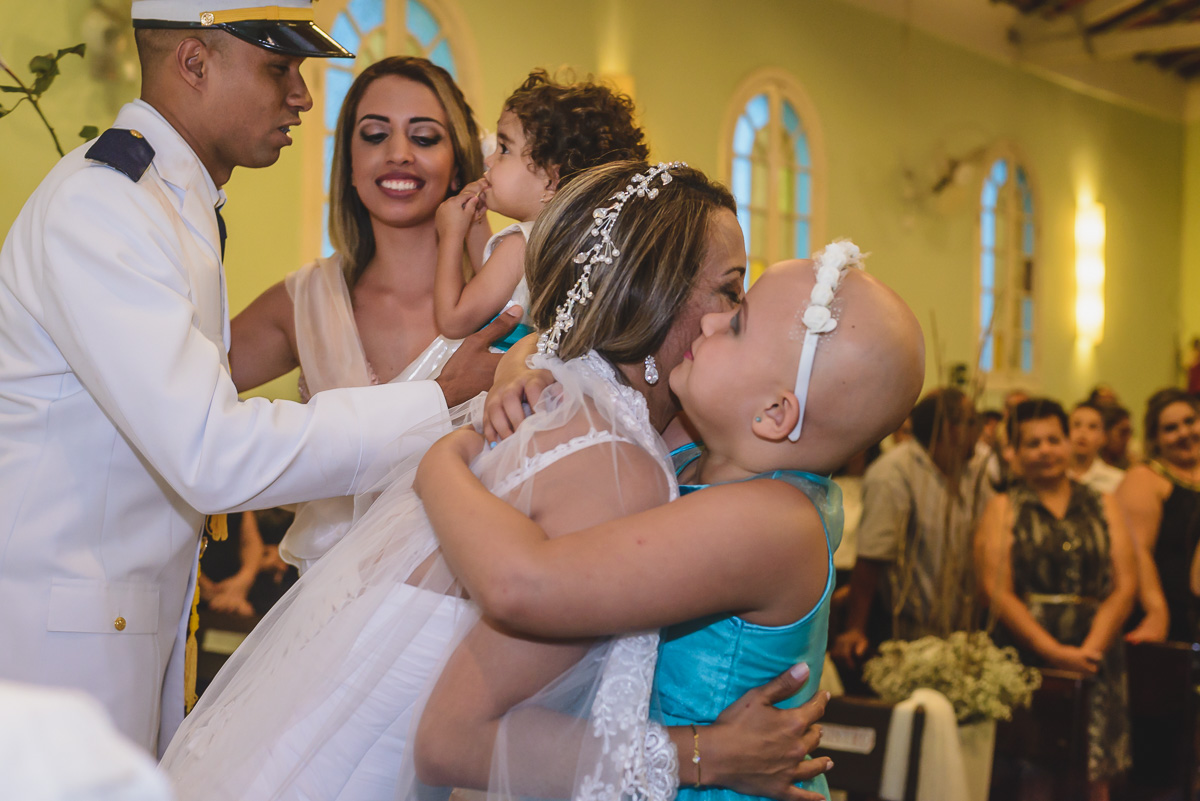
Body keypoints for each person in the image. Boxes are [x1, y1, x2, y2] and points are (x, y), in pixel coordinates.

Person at [160, 162, 838, 800]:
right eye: (729, 290)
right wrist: (702, 754)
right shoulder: (614, 468)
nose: (729, 315)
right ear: (654, 293)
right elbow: (455, 736)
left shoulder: (576, 410)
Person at [0, 2, 516, 756]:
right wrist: (435, 397)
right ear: (195, 63)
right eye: (280, 68)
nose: (303, 96)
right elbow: (210, 450)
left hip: (123, 631)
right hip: (62, 649)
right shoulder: (104, 205)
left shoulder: (172, 207)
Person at [414, 229, 925, 801]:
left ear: (775, 413)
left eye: (736, 323)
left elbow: (519, 584)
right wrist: (518, 375)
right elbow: (560, 347)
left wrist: (438, 467)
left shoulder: (774, 523)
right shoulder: (699, 449)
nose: (708, 321)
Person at [228, 56, 514, 573]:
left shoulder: (510, 305)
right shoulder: (306, 302)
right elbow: (180, 406)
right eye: (375, 135)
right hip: (327, 611)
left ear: (458, 163)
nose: (399, 154)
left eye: (425, 138)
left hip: (470, 611)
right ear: (350, 165)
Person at [976, 399, 1136, 800]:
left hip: (1096, 654)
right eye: (1032, 443)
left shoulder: (1103, 502)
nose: (1045, 450)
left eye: (1054, 439)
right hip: (1029, 656)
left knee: (1093, 770)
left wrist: (1090, 650)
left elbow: (1125, 584)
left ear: (1069, 444)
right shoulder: (1002, 507)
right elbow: (996, 589)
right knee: (1034, 774)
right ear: (1014, 453)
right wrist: (1052, 651)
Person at [434, 70, 648, 350]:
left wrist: (450, 235)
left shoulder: (520, 245)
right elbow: (494, 290)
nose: (488, 159)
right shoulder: (566, 243)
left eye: (504, 148)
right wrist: (475, 223)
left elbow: (454, 321)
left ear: (552, 181)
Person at [830, 387, 992, 670]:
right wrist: (855, 628)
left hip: (962, 631)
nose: (979, 431)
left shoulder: (972, 472)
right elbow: (872, 556)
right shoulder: (893, 472)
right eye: (972, 422)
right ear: (950, 429)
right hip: (905, 633)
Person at [1117, 389, 1200, 643]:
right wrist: (1156, 610)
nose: (1184, 433)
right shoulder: (1145, 477)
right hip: (1171, 614)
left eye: (1190, 422)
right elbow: (1136, 549)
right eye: (1171, 428)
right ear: (1155, 437)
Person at [1068, 401, 1126, 495]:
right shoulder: (1054, 478)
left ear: (1103, 437)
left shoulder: (1118, 480)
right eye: (1077, 424)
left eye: (1092, 427)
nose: (1083, 432)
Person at [1100, 404, 1136, 470]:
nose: (1128, 438)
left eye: (1130, 433)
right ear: (1105, 433)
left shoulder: (1131, 467)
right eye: (1123, 432)